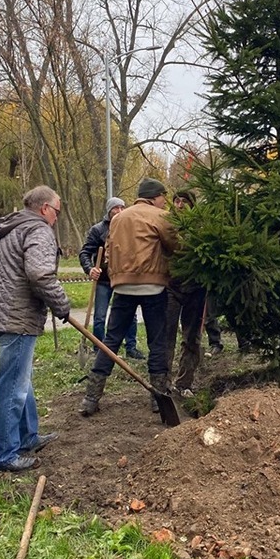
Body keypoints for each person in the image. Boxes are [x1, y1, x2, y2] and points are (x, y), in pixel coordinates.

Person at [0, 185, 70, 472]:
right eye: (57, 211)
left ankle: (27, 436)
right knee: (12, 387)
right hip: (16, 319)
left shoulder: (9, 229)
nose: (57, 218)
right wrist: (61, 304)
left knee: (21, 379)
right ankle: (3, 455)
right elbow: (39, 273)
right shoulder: (38, 230)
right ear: (45, 208)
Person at [79, 177, 177, 416]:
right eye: (164, 197)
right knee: (157, 342)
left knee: (110, 342)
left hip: (122, 287)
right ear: (155, 196)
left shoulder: (118, 218)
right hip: (153, 287)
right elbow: (177, 246)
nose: (165, 201)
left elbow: (110, 251)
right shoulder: (160, 217)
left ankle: (91, 398)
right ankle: (158, 397)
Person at [79, 197, 144, 359]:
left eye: (123, 208)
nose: (120, 211)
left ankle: (131, 347)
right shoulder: (98, 230)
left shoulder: (130, 229)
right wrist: (90, 269)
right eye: (116, 208)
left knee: (130, 315)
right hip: (104, 281)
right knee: (100, 316)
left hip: (124, 279)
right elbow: (85, 253)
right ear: (109, 211)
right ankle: (99, 348)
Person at [165, 190, 207, 397]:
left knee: (192, 337)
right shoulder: (166, 225)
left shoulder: (200, 228)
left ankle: (185, 383)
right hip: (171, 287)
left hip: (196, 289)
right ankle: (163, 382)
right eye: (177, 201)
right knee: (166, 335)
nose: (180, 205)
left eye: (184, 202)